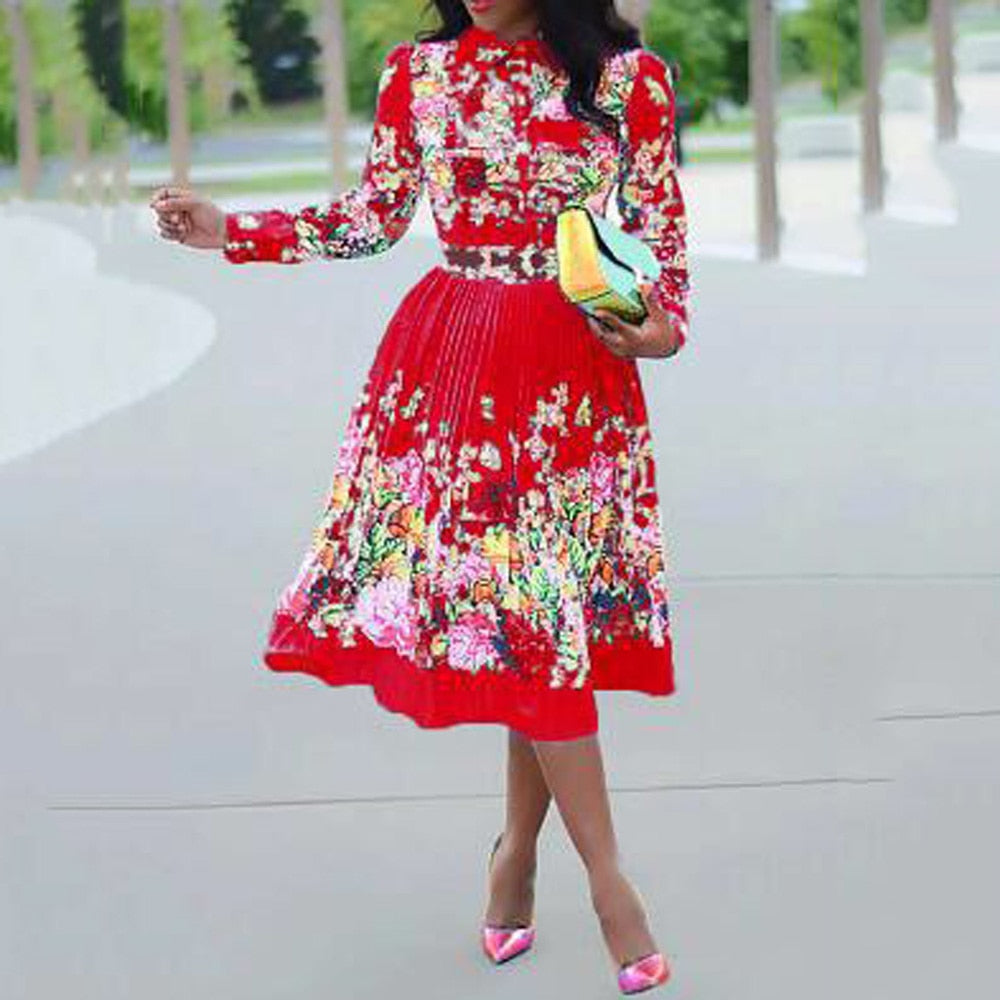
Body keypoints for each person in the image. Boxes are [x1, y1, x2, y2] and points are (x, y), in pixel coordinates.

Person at [150, 0, 689, 993]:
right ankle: (611, 888)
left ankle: (514, 859)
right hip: (457, 370)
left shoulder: (628, 81)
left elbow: (659, 222)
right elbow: (375, 216)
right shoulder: (420, 74)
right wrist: (235, 232)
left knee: (539, 624)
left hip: (575, 373)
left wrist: (663, 324)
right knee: (530, 618)